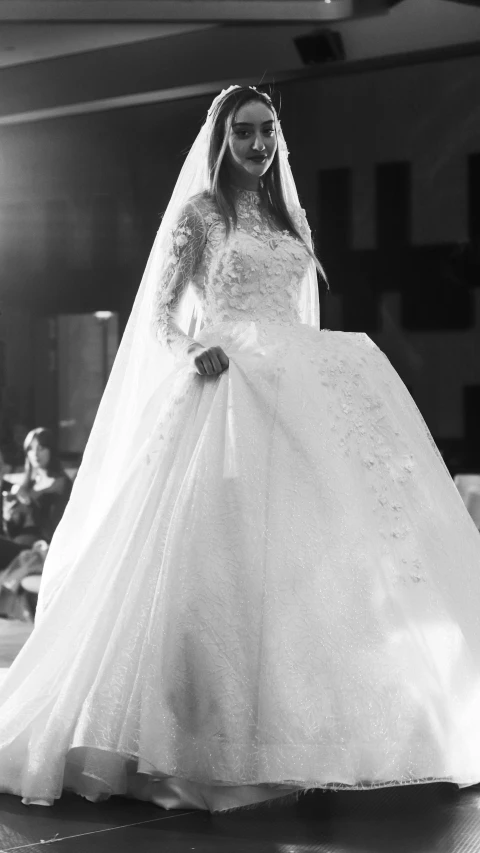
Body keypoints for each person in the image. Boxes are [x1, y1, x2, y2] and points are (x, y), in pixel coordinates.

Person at [0, 85, 480, 813]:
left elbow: (297, 310)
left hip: (288, 390)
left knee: (301, 559)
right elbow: (161, 314)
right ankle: (202, 734)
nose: (259, 146)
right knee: (211, 561)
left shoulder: (288, 216)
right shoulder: (201, 214)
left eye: (268, 133)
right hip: (225, 388)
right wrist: (195, 350)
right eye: (245, 133)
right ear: (221, 140)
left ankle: (306, 730)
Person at [0, 428, 72, 617]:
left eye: (41, 448)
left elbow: (58, 526)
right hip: (18, 545)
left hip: (38, 547)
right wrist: (8, 518)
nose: (35, 454)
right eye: (31, 449)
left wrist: (31, 503)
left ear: (51, 450)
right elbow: (13, 533)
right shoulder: (27, 485)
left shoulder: (60, 484)